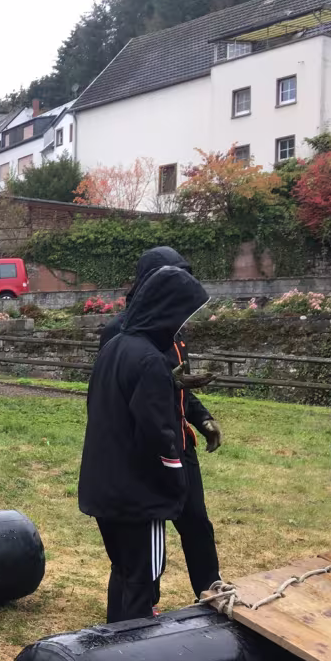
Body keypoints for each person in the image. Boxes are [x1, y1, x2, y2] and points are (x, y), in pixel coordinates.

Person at [79, 266, 209, 623]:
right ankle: (132, 660)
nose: (182, 326)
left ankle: (112, 647)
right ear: (168, 312)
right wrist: (175, 479)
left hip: (103, 487)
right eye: (182, 316)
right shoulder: (150, 361)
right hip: (138, 499)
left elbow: (99, 409)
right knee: (143, 578)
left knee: (122, 570)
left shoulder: (114, 348)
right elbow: (159, 435)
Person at [100, 247, 222, 599]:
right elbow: (125, 389)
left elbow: (176, 386)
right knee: (141, 542)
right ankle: (139, 599)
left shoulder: (173, 330)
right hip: (147, 445)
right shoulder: (120, 332)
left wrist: (203, 419)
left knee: (196, 519)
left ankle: (209, 588)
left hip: (179, 440)